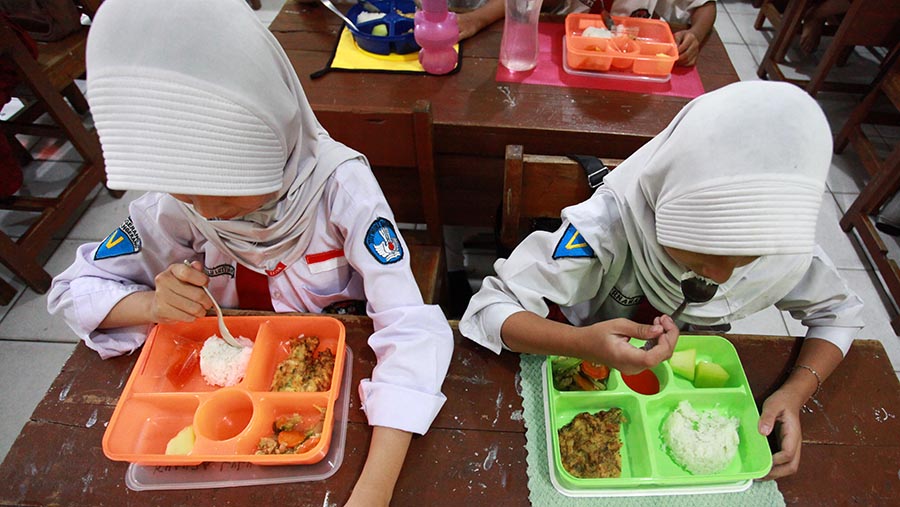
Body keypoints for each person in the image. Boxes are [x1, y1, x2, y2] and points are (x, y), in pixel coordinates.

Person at [45, 0, 453, 504]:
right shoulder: (180, 204)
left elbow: (411, 327)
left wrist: (372, 492)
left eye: (229, 193)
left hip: (336, 395)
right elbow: (71, 290)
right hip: (225, 414)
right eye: (191, 195)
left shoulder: (341, 190)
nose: (211, 214)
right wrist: (152, 304)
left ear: (272, 142)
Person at [459, 80, 865, 479]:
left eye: (744, 259)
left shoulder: (780, 247)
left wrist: (796, 391)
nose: (720, 277)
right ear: (666, 210)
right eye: (703, 253)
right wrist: (583, 343)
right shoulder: (607, 227)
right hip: (574, 353)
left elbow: (839, 313)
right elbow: (491, 308)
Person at [456, 0, 716, 66]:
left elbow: (705, 5)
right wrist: (476, 20)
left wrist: (694, 34)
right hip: (567, 58)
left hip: (630, 66)